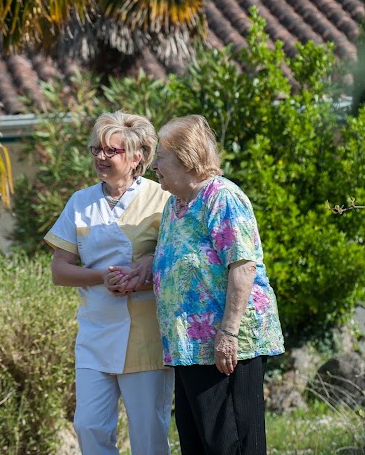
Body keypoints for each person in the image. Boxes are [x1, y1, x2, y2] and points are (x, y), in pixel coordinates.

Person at [152, 114, 284, 455]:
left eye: (160, 156)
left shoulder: (221, 197)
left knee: (232, 442)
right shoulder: (175, 205)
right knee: (200, 444)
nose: (154, 164)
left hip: (224, 345)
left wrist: (228, 333)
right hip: (189, 347)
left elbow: (242, 264)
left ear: (187, 158)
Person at [44, 110, 174, 455]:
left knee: (148, 433)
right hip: (95, 333)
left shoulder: (162, 201)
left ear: (136, 158)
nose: (101, 157)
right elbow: (60, 270)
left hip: (145, 337)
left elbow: (176, 268)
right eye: (97, 150)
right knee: (88, 426)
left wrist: (139, 278)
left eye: (111, 151)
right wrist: (102, 277)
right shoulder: (80, 203)